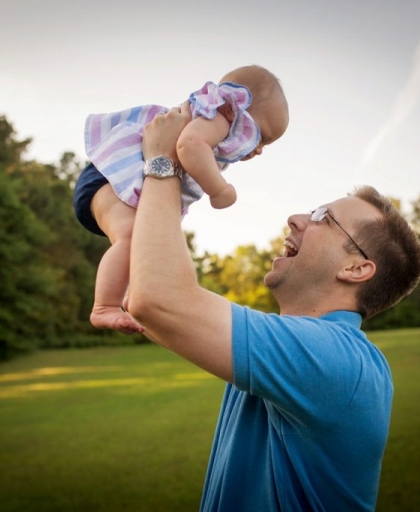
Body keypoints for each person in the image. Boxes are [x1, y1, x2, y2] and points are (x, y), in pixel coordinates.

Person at [125, 107, 420, 511]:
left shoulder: (335, 358)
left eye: (323, 217)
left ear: (356, 268)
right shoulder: (294, 347)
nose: (297, 218)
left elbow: (157, 299)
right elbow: (147, 296)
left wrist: (161, 161)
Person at [73, 65, 289, 334]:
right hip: (109, 178)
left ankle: (132, 294)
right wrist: (219, 189)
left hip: (122, 183)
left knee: (146, 245)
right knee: (131, 236)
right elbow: (189, 145)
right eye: (262, 137)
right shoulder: (218, 118)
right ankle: (104, 306)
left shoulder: (215, 120)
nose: (258, 150)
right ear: (236, 109)